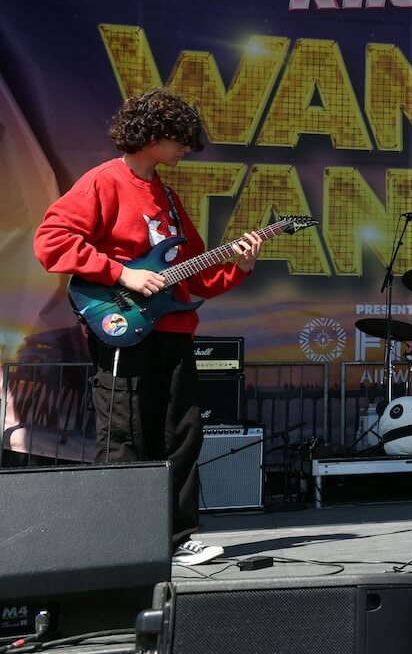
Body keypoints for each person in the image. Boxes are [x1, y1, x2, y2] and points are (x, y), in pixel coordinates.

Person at [33, 89, 263, 566]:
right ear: (154, 135)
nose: (187, 149)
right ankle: (116, 545)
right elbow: (51, 242)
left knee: (181, 432)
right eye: (181, 140)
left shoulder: (168, 196)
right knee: (123, 434)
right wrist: (122, 274)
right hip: (119, 324)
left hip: (173, 329)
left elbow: (195, 272)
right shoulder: (103, 181)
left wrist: (239, 266)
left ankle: (178, 537)